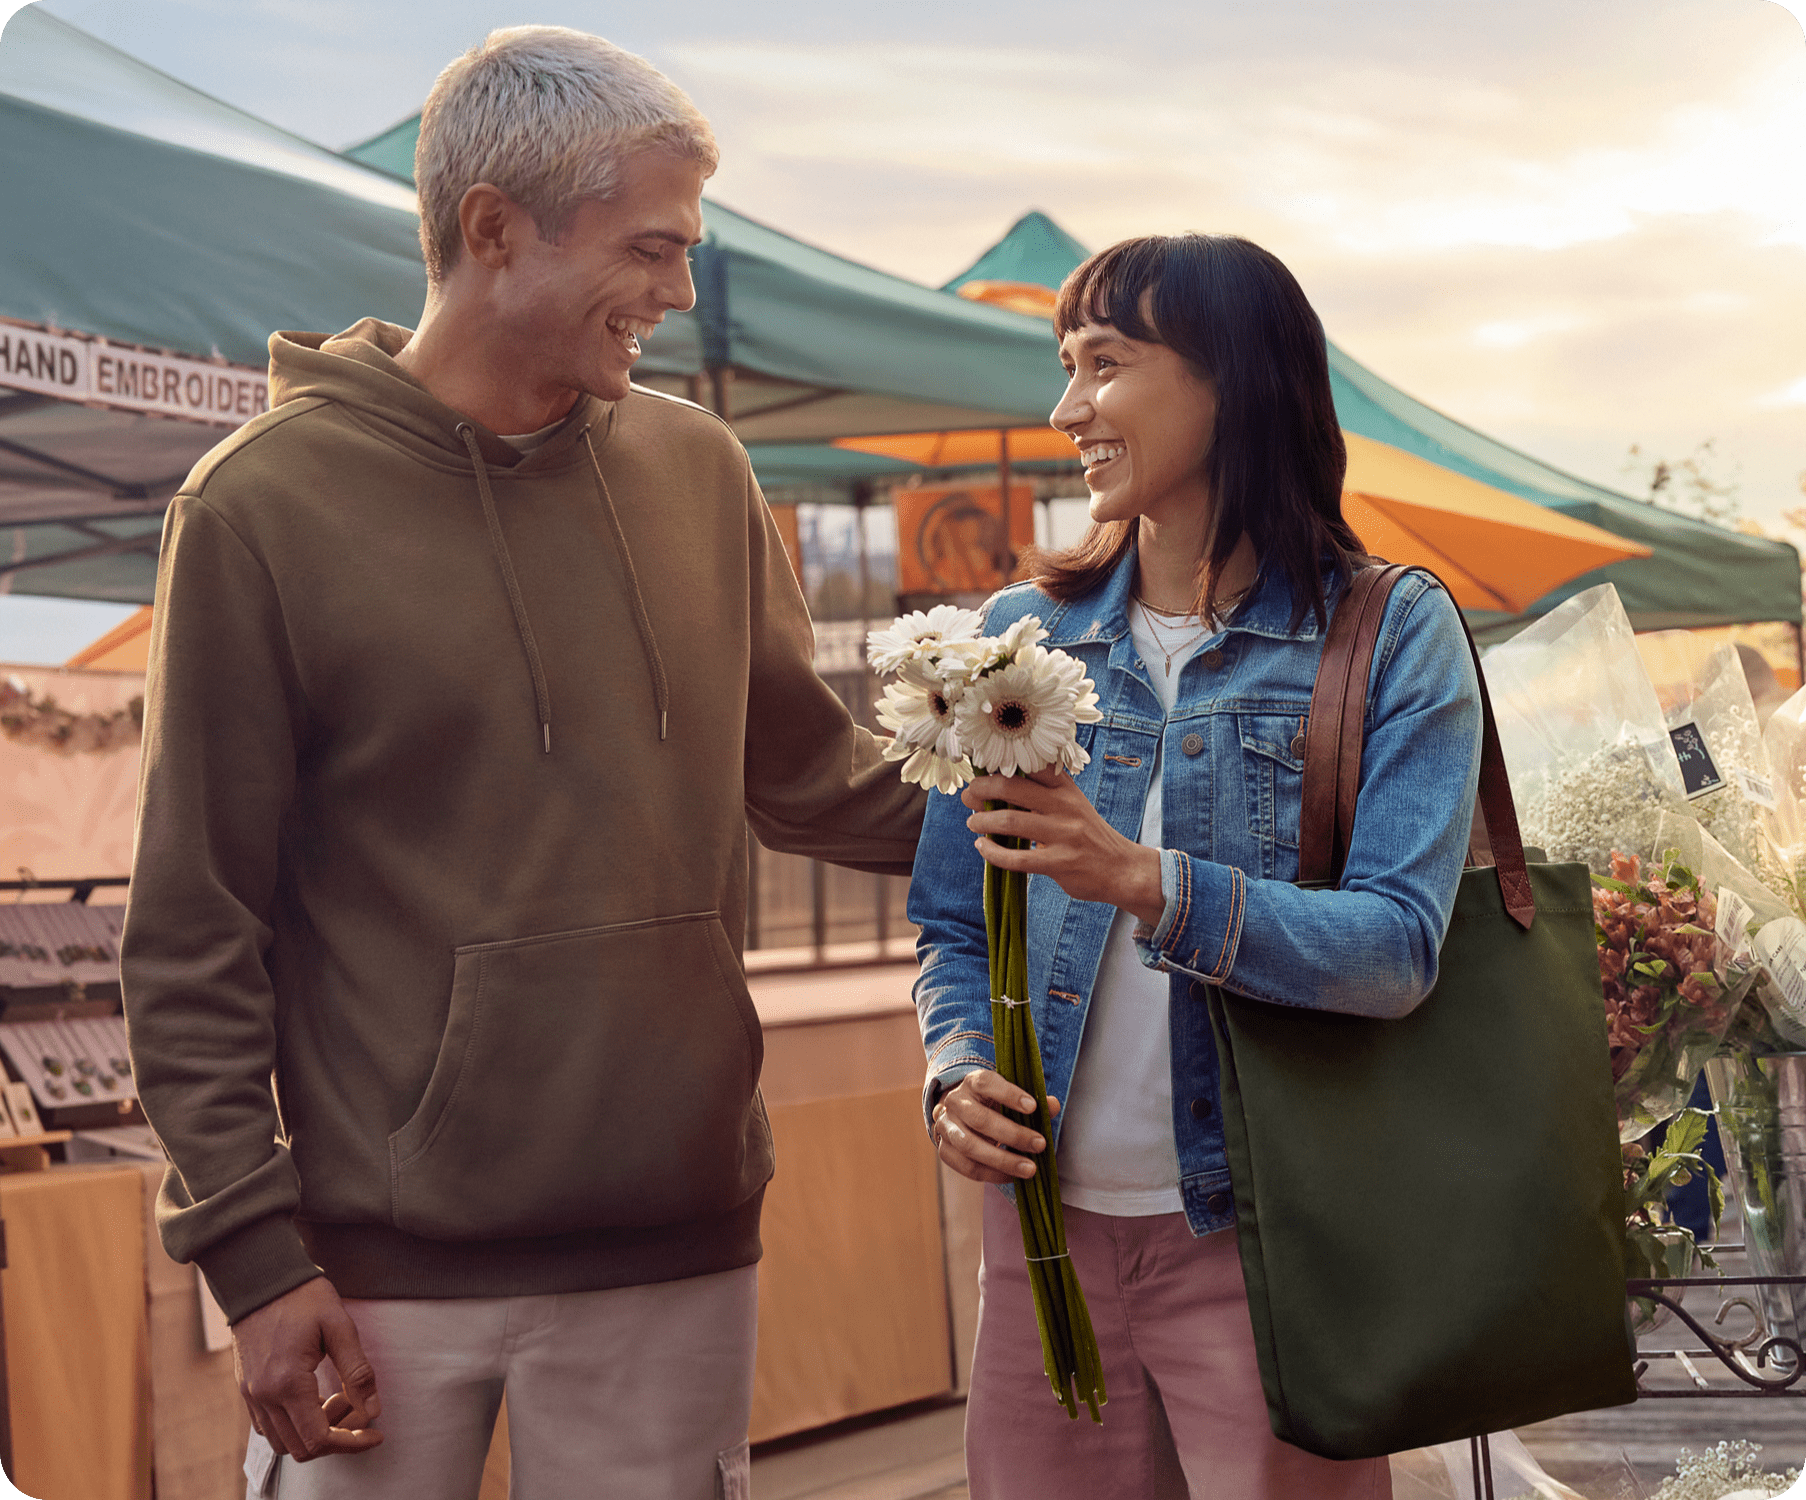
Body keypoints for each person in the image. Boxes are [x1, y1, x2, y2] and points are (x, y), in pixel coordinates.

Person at [121, 26, 922, 1500]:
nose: (678, 294)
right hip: (375, 1274)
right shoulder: (259, 511)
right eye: (651, 247)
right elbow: (191, 930)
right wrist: (251, 1258)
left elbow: (815, 777)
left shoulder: (701, 473)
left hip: (676, 1246)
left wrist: (1075, 809)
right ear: (494, 230)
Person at [909, 234, 1484, 1499]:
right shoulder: (1019, 635)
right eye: (1066, 368)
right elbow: (952, 922)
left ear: (1233, 376)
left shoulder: (1389, 632)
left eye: (1104, 366)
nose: (1069, 410)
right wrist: (953, 1069)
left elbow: (1396, 948)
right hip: (1044, 1241)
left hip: (1269, 1245)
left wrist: (1144, 880)